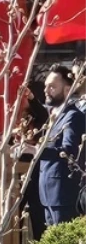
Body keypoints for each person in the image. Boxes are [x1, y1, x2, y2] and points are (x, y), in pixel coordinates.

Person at [34, 65, 86, 226]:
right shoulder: (54, 115)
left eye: (52, 87)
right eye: (45, 86)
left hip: (63, 194)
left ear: (67, 89)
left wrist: (35, 151)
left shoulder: (74, 117)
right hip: (47, 192)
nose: (46, 90)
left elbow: (69, 152)